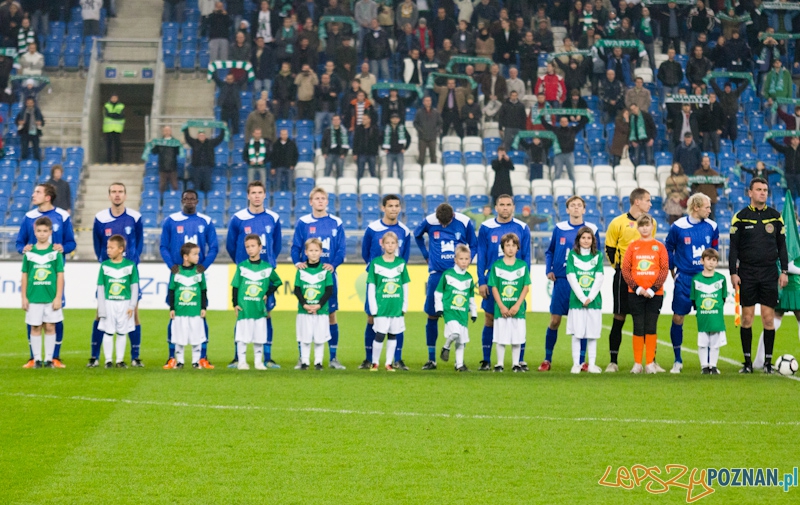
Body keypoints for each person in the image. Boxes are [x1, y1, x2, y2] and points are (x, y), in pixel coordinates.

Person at [730, 177, 788, 374]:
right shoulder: (740, 217)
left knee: (768, 319)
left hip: (769, 273)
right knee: (747, 318)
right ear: (750, 192)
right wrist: (733, 272)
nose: (763, 192)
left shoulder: (775, 216)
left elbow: (782, 247)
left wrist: (785, 271)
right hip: (747, 273)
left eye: (765, 189)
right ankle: (747, 363)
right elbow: (733, 249)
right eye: (759, 189)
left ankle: (768, 363)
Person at [17, 184, 75, 368]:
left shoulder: (62, 216)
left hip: (54, 278)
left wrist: (63, 248)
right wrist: (23, 249)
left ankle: (54, 357)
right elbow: (20, 242)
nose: (33, 195)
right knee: (33, 319)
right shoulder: (29, 217)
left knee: (55, 318)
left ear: (48, 197)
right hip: (35, 278)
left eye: (37, 192)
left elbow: (71, 242)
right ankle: (33, 357)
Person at [415, 203, 478, 369]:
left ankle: (459, 362)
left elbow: (474, 244)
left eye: (446, 223)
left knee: (459, 318)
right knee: (432, 315)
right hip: (437, 275)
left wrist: (466, 262)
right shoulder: (429, 220)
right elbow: (417, 235)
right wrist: (426, 255)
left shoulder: (464, 222)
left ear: (453, 217)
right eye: (440, 223)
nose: (443, 226)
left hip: (457, 277)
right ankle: (431, 359)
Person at [160, 189, 218, 368]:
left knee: (200, 314)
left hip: (196, 275)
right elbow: (163, 246)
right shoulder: (171, 221)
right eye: (186, 199)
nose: (189, 201)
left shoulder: (206, 221)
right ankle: (173, 357)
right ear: (181, 201)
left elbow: (214, 247)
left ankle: (202, 356)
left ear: (198, 201)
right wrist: (172, 266)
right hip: (178, 274)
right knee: (175, 315)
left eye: (193, 199)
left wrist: (204, 265)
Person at [225, 181, 281, 367]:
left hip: (265, 273)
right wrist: (244, 265)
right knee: (242, 312)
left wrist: (268, 264)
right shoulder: (238, 218)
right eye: (253, 193)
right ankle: (237, 357)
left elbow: (277, 245)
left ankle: (267, 357)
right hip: (246, 273)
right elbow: (231, 246)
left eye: (260, 192)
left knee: (266, 313)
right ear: (248, 196)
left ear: (265, 195)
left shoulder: (273, 217)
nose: (257, 196)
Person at [540, 196, 599, 371]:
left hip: (583, 282)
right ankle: (547, 359)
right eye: (572, 205)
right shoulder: (559, 229)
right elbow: (550, 250)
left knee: (582, 323)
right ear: (567, 210)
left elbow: (596, 254)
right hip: (563, 281)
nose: (575, 208)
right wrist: (549, 268)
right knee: (555, 320)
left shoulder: (591, 229)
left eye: (579, 205)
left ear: (584, 209)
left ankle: (581, 362)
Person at [89, 183, 144, 367]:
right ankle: (95, 357)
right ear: (109, 195)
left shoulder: (135, 217)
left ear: (125, 195)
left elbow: (139, 242)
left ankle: (134, 357)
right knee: (100, 313)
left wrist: (132, 263)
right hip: (109, 272)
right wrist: (105, 261)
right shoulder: (100, 218)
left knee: (133, 313)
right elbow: (98, 245)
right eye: (113, 191)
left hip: (128, 271)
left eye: (120, 192)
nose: (117, 195)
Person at [291, 187, 347, 369]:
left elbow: (341, 248)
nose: (320, 201)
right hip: (308, 276)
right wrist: (296, 263)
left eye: (323, 198)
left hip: (327, 276)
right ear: (311, 202)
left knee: (330, 315)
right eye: (317, 198)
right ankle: (303, 358)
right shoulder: (303, 222)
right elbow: (295, 246)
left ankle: (332, 357)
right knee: (305, 314)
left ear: (327, 201)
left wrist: (334, 264)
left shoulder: (336, 222)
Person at [663, 193, 719, 374]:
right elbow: (668, 248)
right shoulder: (678, 227)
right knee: (678, 317)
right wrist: (673, 271)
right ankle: (677, 359)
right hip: (685, 278)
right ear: (696, 207)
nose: (710, 210)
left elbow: (715, 251)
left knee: (708, 319)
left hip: (705, 279)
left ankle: (709, 363)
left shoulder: (712, 226)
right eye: (707, 207)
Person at [476, 195, 531, 371]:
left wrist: (524, 280)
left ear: (513, 207)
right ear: (496, 207)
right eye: (502, 205)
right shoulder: (486, 227)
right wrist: (482, 280)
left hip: (516, 281)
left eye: (508, 205)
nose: (505, 208)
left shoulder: (522, 227)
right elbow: (481, 255)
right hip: (494, 281)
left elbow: (526, 257)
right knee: (490, 318)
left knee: (518, 319)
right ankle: (487, 360)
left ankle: (519, 361)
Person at [604, 188, 654, 372]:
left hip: (645, 276)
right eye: (648, 200)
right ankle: (613, 361)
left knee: (646, 319)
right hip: (623, 277)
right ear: (637, 201)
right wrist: (621, 270)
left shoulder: (651, 222)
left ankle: (650, 361)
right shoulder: (617, 222)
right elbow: (609, 249)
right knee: (619, 317)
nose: (650, 204)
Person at [361, 195, 412, 370]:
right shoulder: (372, 228)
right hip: (378, 279)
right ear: (383, 208)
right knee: (371, 317)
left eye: (397, 206)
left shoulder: (404, 231)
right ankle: (370, 359)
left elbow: (404, 257)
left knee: (397, 319)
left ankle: (396, 359)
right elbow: (365, 253)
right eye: (390, 206)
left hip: (395, 283)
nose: (394, 209)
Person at [621, 214, 669, 374]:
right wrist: (637, 288)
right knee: (638, 326)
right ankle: (637, 363)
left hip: (655, 294)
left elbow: (663, 270)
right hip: (635, 294)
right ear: (637, 227)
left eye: (647, 225)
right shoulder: (632, 246)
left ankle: (649, 363)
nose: (645, 228)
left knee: (651, 326)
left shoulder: (659, 246)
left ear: (652, 226)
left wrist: (652, 289)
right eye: (641, 225)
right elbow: (626, 270)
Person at [231, 234, 282, 371]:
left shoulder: (267, 267)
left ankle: (258, 362)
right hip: (244, 307)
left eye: (253, 246)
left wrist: (267, 292)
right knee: (242, 336)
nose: (250, 249)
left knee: (259, 336)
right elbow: (235, 286)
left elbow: (277, 282)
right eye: (247, 247)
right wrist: (235, 303)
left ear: (260, 247)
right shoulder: (241, 267)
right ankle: (242, 362)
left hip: (259, 308)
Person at [21, 216, 64, 369]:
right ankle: (37, 359)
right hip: (34, 297)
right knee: (35, 327)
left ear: (50, 232)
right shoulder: (29, 253)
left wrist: (58, 296)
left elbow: (60, 275)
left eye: (45, 231)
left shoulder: (55, 252)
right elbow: (25, 275)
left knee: (51, 326)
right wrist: (24, 297)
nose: (42, 234)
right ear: (34, 231)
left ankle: (49, 359)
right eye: (39, 231)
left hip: (50, 297)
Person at [366, 231, 409, 372]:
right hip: (381, 306)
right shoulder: (376, 263)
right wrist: (373, 306)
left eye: (393, 243)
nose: (390, 246)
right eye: (387, 243)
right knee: (380, 334)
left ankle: (388, 363)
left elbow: (405, 285)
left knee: (393, 334)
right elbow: (371, 286)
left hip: (396, 306)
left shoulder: (401, 263)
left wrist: (405, 304)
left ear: (397, 245)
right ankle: (375, 362)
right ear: (382, 245)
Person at [487, 233, 530, 373]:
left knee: (517, 337)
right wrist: (501, 305)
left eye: (513, 245)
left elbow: (526, 287)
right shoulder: (497, 266)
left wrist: (517, 305)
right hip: (502, 309)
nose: (510, 248)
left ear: (518, 248)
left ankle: (516, 364)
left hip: (518, 310)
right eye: (507, 245)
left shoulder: (522, 266)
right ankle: (499, 364)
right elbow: (493, 287)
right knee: (501, 337)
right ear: (503, 248)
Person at [96, 234, 138, 369]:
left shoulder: (130, 266)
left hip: (125, 304)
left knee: (122, 332)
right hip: (109, 303)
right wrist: (101, 307)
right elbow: (101, 288)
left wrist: (132, 305)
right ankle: (108, 360)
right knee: (108, 331)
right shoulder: (104, 266)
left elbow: (134, 287)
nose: (108, 250)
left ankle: (119, 360)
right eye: (107, 247)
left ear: (120, 249)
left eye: (111, 247)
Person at [565, 226, 604, 374]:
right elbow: (571, 276)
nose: (586, 241)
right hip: (577, 301)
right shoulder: (573, 256)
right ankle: (576, 364)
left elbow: (599, 277)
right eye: (583, 238)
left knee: (592, 334)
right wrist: (582, 297)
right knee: (577, 333)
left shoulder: (598, 256)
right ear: (578, 240)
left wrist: (590, 297)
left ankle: (592, 364)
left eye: (589, 238)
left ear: (593, 240)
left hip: (593, 302)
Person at [433, 244, 477, 372]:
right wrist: (439, 307)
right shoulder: (447, 274)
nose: (464, 262)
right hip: (450, 311)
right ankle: (446, 347)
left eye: (466, 259)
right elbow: (438, 293)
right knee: (455, 333)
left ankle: (459, 365)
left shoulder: (469, 278)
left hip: (462, 313)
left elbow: (470, 297)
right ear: (455, 260)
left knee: (461, 341)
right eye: (461, 259)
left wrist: (473, 312)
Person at [166, 242, 208, 369]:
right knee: (179, 337)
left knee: (196, 337)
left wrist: (203, 307)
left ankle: (196, 361)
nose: (198, 257)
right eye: (195, 254)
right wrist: (172, 308)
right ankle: (180, 361)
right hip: (180, 311)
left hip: (195, 310)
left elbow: (203, 291)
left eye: (198, 254)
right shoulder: (176, 271)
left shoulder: (199, 271)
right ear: (185, 257)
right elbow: (172, 291)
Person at [294, 237, 334, 370]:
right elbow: (297, 290)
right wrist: (305, 305)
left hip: (321, 311)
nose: (314, 253)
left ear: (321, 252)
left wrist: (319, 305)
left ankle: (318, 362)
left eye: (316, 250)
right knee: (305, 338)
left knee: (319, 338)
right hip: (304, 310)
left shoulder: (325, 270)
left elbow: (329, 291)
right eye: (311, 250)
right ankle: (304, 362)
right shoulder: (301, 270)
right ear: (306, 252)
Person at [691, 248, 727, 375]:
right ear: (702, 261)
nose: (711, 263)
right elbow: (694, 299)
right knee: (703, 342)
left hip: (716, 317)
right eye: (708, 259)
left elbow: (723, 297)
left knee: (715, 343)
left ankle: (713, 366)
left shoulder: (721, 279)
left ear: (717, 263)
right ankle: (704, 366)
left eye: (714, 260)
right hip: (703, 316)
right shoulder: (696, 279)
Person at [540, 113, 588, 182]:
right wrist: (541, 117)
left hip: (569, 155)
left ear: (568, 122)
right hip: (559, 155)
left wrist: (586, 114)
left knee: (571, 174)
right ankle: (554, 191)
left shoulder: (573, 130)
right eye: (562, 122)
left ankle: (574, 190)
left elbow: (582, 124)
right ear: (560, 123)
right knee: (557, 174)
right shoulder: (556, 130)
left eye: (565, 121)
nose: (564, 123)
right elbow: (547, 126)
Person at [184, 128, 225, 195]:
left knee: (207, 185)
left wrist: (222, 129)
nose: (201, 137)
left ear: (205, 136)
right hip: (197, 168)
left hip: (207, 167)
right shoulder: (194, 143)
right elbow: (188, 138)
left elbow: (219, 139)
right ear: (198, 136)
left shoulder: (210, 143)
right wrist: (186, 129)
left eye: (203, 135)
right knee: (196, 185)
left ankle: (206, 201)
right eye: (200, 135)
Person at [690, 156, 723, 221]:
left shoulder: (714, 173)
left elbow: (719, 185)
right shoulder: (697, 173)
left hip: (711, 201)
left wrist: (723, 181)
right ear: (702, 163)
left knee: (710, 220)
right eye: (704, 161)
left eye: (707, 161)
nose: (705, 163)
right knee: (700, 220)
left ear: (709, 162)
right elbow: (693, 186)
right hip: (700, 201)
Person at [413, 96, 442, 164]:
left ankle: (434, 171)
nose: (428, 102)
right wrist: (420, 130)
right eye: (426, 100)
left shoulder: (436, 112)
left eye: (429, 100)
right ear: (423, 102)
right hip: (422, 137)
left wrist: (436, 130)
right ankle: (421, 172)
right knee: (421, 157)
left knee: (433, 156)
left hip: (432, 137)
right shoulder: (419, 112)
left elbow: (440, 123)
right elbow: (415, 123)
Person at [151, 126, 180, 193]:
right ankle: (161, 202)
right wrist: (152, 144)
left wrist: (180, 144)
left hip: (173, 168)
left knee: (175, 186)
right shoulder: (159, 142)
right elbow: (154, 151)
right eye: (165, 130)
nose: (167, 132)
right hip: (163, 168)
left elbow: (178, 152)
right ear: (163, 132)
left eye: (168, 130)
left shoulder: (175, 142)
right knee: (162, 187)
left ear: (171, 132)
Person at [382, 113, 408, 179]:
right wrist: (383, 148)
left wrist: (405, 148)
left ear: (399, 119)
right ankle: (390, 187)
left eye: (396, 118)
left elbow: (409, 138)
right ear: (390, 119)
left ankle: (401, 187)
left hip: (399, 153)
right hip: (389, 153)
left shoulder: (402, 127)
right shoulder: (386, 128)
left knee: (400, 172)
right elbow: (380, 138)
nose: (395, 120)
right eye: (393, 118)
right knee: (389, 172)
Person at [103, 94, 125, 163]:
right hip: (108, 129)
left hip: (117, 129)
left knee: (117, 145)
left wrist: (111, 115)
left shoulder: (121, 106)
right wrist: (115, 115)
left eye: (115, 98)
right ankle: (108, 160)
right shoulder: (106, 105)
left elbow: (121, 115)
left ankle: (117, 160)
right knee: (108, 145)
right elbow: (107, 114)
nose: (114, 99)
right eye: (113, 98)